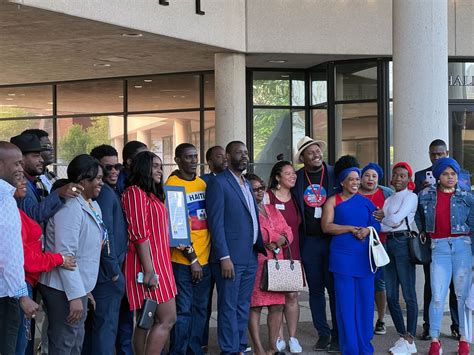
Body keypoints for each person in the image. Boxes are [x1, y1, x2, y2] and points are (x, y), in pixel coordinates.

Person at [38, 154, 105, 354]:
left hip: (76, 286)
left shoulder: (91, 203)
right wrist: (75, 295)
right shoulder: (70, 206)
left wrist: (85, 291)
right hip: (61, 288)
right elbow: (65, 254)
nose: (102, 182)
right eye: (98, 178)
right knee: (64, 343)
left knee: (75, 342)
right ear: (83, 180)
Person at [206, 141, 266, 354]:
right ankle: (229, 349)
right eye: (239, 152)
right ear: (227, 156)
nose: (244, 156)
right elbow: (215, 222)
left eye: (246, 152)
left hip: (249, 255)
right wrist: (224, 256)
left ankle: (240, 345)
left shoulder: (247, 183)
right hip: (229, 257)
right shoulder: (218, 183)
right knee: (229, 305)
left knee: (243, 305)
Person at [321, 155, 380, 355]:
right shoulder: (332, 201)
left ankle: (365, 347)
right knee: (345, 305)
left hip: (365, 259)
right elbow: (326, 227)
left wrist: (368, 230)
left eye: (358, 179)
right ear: (342, 182)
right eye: (352, 179)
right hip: (342, 259)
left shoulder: (366, 202)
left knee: (365, 304)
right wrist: (349, 228)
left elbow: (377, 223)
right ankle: (350, 348)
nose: (356, 183)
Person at [415, 157, 474, 355]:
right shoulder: (425, 195)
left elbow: (473, 226)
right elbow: (419, 218)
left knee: (462, 295)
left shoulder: (467, 196)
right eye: (446, 174)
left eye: (453, 174)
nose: (450, 177)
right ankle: (434, 340)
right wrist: (425, 233)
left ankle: (464, 340)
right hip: (439, 247)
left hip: (462, 247)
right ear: (438, 176)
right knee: (438, 296)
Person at [121, 151, 177, 355]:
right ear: (142, 168)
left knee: (148, 318)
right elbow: (139, 234)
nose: (159, 170)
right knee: (166, 318)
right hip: (146, 265)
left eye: (160, 166)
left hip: (161, 263)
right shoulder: (134, 193)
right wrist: (149, 270)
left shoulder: (151, 194)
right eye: (154, 166)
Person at [14, 176, 76, 355]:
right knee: (17, 343)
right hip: (20, 282)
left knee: (23, 341)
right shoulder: (10, 214)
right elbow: (26, 258)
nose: (23, 181)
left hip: (27, 281)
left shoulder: (15, 210)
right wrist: (59, 259)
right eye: (17, 177)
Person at [291, 136, 338, 352]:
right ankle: (323, 334)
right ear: (302, 158)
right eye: (310, 152)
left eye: (318, 150)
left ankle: (338, 333)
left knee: (335, 289)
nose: (316, 154)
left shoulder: (334, 173)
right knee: (316, 291)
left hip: (333, 240)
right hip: (309, 241)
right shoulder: (297, 178)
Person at [166, 143, 212, 355]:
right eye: (188, 157)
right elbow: (178, 229)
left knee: (201, 309)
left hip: (205, 259)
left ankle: (195, 350)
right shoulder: (172, 185)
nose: (194, 160)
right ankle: (179, 351)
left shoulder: (202, 183)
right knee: (183, 311)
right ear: (177, 160)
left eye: (195, 156)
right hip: (184, 262)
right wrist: (193, 259)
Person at [82, 145, 128, 355]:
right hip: (105, 276)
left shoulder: (108, 192)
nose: (113, 171)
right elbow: (105, 234)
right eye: (106, 168)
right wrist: (115, 272)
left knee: (95, 331)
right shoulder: (105, 194)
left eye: (116, 166)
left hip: (98, 275)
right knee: (104, 331)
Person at [246, 173, 293, 355]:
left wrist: (278, 240)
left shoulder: (272, 209)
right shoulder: (247, 210)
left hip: (276, 263)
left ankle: (273, 347)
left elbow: (288, 231)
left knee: (277, 306)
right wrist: (276, 237)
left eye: (261, 188)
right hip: (257, 264)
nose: (259, 192)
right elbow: (259, 235)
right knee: (255, 306)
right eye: (254, 189)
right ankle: (258, 348)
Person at [0, 141, 39, 355]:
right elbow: (9, 253)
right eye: (15, 164)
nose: (20, 169)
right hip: (6, 295)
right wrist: (22, 295)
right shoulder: (5, 198)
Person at [381, 162, 419, 354]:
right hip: (388, 244)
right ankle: (402, 335)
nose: (398, 178)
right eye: (395, 175)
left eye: (402, 176)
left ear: (409, 179)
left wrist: (385, 218)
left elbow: (395, 221)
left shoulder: (411, 197)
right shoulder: (388, 200)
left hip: (403, 244)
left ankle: (410, 338)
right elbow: (384, 226)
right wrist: (388, 219)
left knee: (408, 293)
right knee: (391, 296)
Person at [267, 161, 303, 353]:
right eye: (288, 173)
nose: (293, 176)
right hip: (275, 252)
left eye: (293, 173)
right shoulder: (268, 196)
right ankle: (278, 337)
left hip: (294, 252)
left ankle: (293, 337)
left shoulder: (296, 197)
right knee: (276, 296)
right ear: (278, 177)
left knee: (292, 295)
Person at [115, 140, 147, 355]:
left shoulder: (148, 184)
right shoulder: (124, 186)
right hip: (127, 256)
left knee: (148, 311)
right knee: (126, 312)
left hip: (144, 257)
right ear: (128, 162)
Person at [11, 133, 83, 224]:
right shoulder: (17, 184)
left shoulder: (33, 181)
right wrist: (59, 193)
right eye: (36, 155)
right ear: (21, 158)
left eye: (41, 155)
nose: (41, 160)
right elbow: (32, 216)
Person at [358, 162, 393, 336]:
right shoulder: (354, 192)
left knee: (380, 283)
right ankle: (363, 318)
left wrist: (385, 214)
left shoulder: (387, 193)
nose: (370, 179)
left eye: (374, 176)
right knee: (362, 280)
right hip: (358, 242)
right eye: (366, 175)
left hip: (381, 243)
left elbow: (395, 214)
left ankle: (380, 319)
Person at [201, 145, 227, 353]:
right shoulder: (205, 182)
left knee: (228, 302)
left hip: (225, 251)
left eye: (224, 155)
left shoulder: (234, 181)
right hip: (204, 251)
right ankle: (201, 341)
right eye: (218, 156)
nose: (224, 158)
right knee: (204, 302)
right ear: (209, 162)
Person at [21, 129, 57, 193]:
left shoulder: (50, 175)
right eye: (47, 146)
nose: (52, 150)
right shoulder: (23, 182)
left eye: (51, 147)